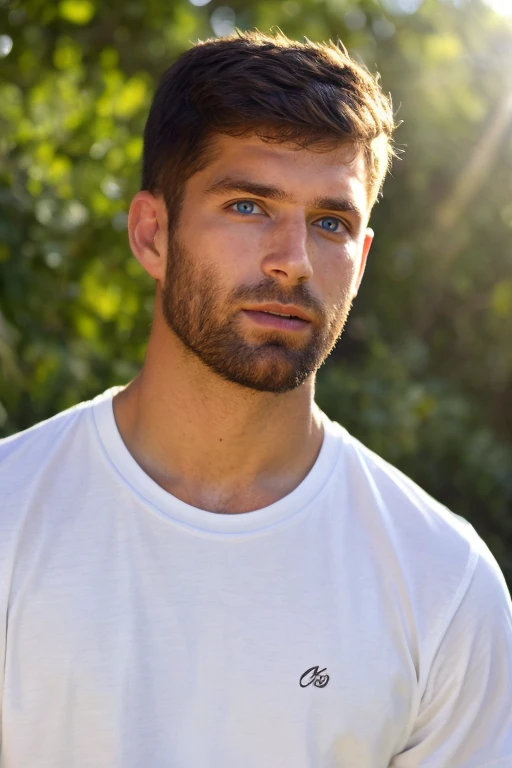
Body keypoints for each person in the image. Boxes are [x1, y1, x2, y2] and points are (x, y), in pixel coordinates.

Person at [0, 29, 511, 768]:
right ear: (152, 234)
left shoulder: (443, 584)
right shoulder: (12, 517)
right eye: (247, 206)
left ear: (361, 260)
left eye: (331, 223)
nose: (292, 262)